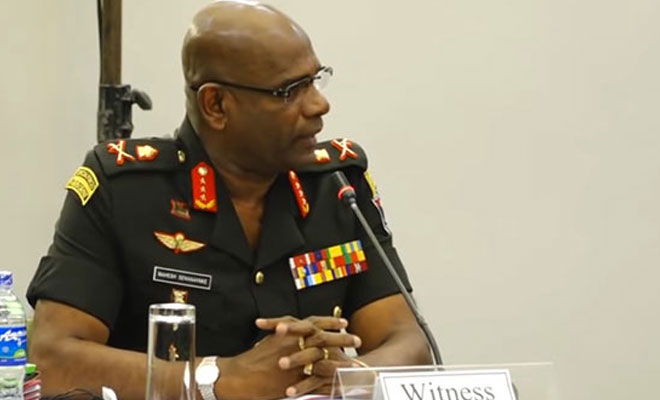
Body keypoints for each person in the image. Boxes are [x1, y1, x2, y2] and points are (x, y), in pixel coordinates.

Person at [26, 1, 433, 399]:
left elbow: (409, 344)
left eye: (315, 80)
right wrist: (217, 380)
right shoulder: (123, 190)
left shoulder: (338, 186)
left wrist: (350, 376)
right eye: (290, 91)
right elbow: (52, 359)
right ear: (216, 105)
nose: (319, 104)